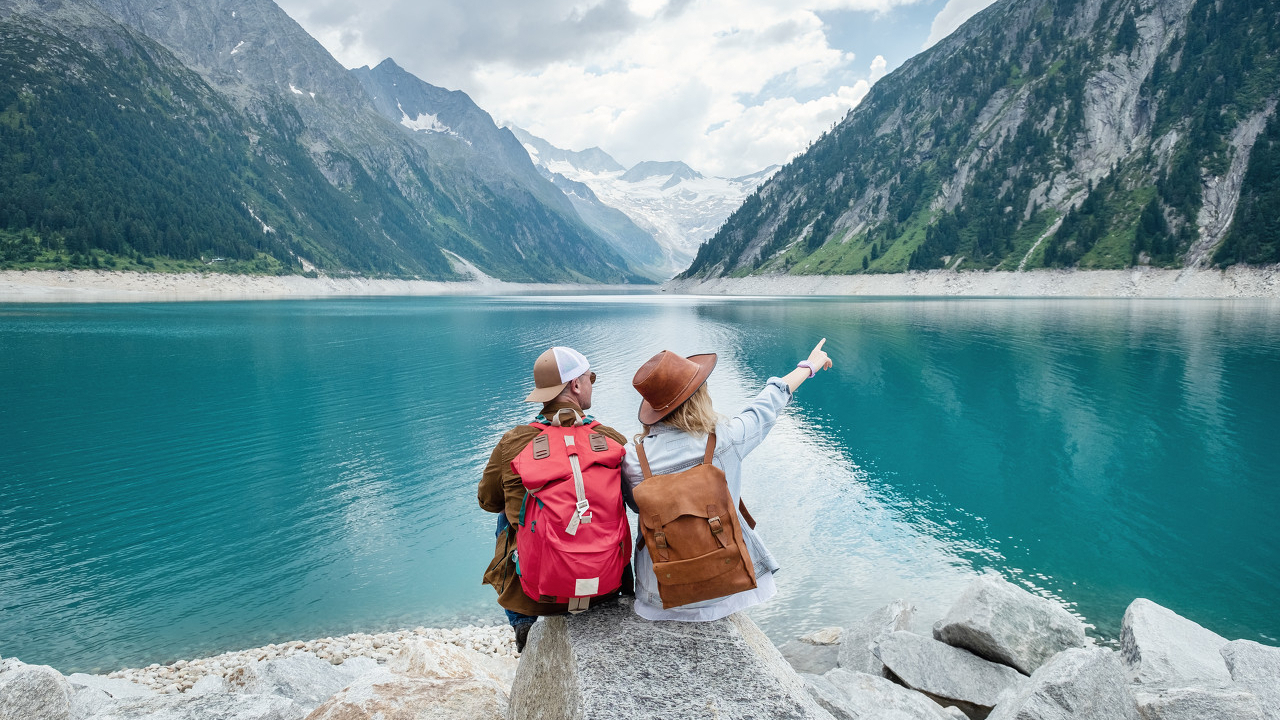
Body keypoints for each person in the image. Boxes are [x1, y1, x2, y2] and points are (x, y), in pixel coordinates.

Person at [622, 339, 833, 621]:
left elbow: (639, 509)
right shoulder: (725, 439)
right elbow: (766, 404)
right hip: (727, 586)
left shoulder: (633, 460)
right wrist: (809, 366)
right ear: (699, 396)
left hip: (659, 594)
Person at [478, 346, 630, 650]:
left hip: (539, 597)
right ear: (575, 385)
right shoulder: (611, 439)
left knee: (512, 511)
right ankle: (616, 592)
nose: (591, 385)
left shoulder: (513, 442)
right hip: (606, 586)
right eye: (589, 379)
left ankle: (523, 624)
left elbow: (487, 500)